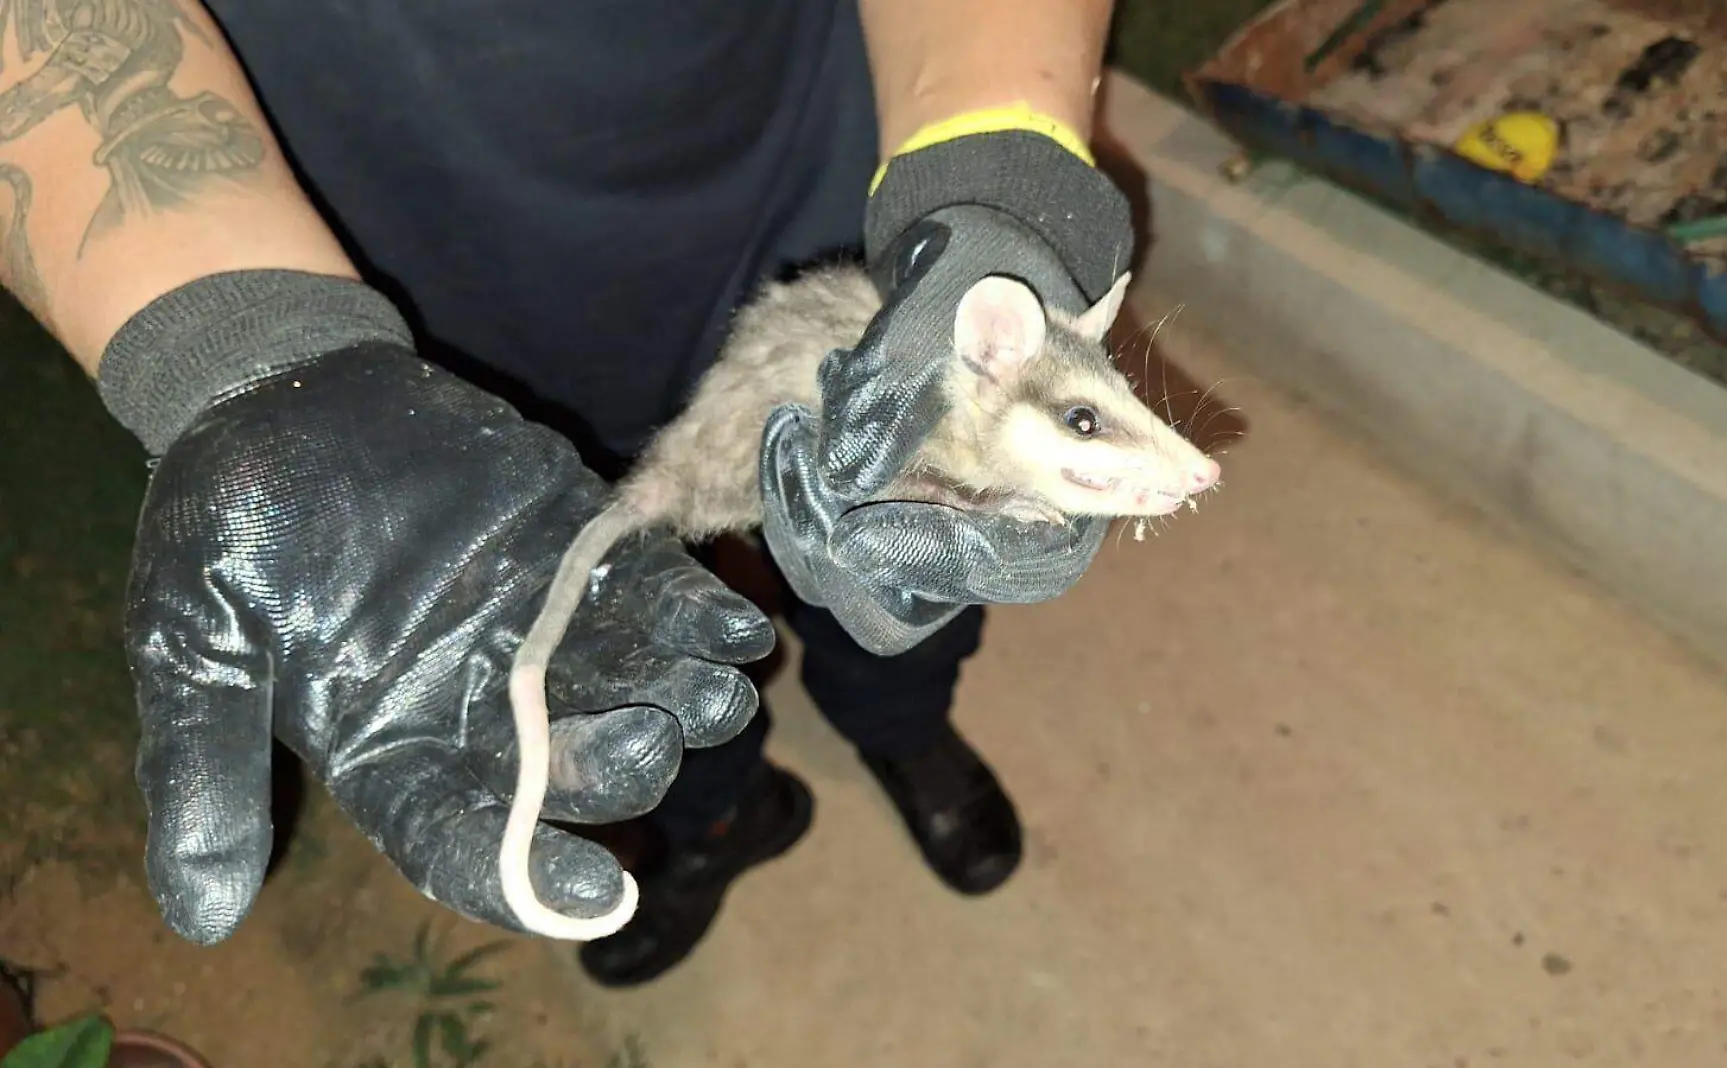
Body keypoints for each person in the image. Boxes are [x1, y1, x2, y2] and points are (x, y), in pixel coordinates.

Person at [4, 0, 1134, 987]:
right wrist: (244, 348)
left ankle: (899, 719)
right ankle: (723, 812)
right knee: (612, 624)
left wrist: (996, 183)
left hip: (812, 140)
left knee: (917, 522)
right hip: (428, 263)